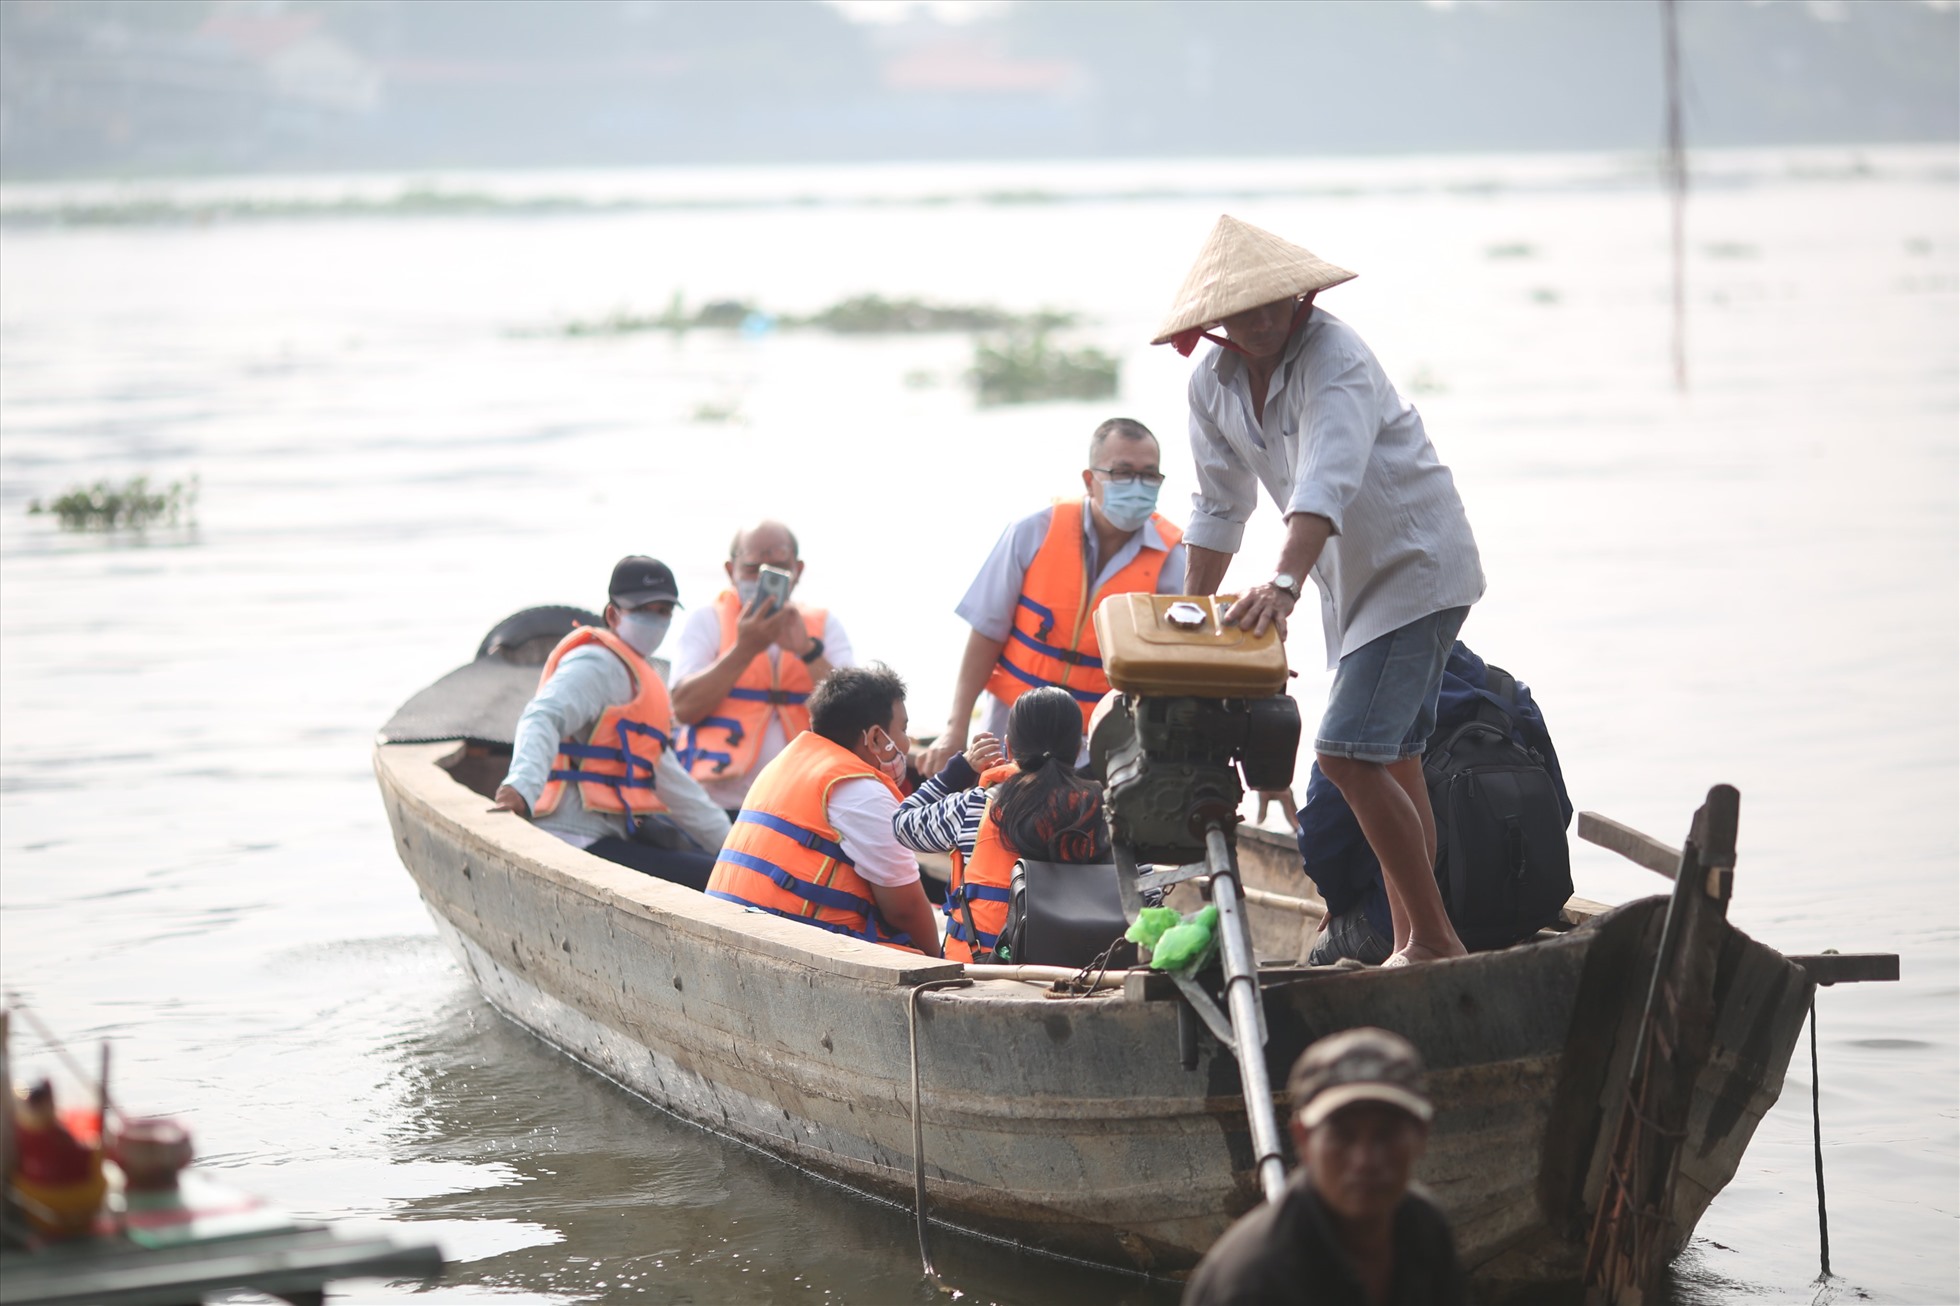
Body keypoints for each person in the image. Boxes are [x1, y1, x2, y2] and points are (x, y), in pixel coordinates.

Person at [1153, 214, 1485, 967]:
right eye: (1244, 309)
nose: (1265, 320)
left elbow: (1324, 479)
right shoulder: (1213, 382)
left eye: (1276, 302)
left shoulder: (1335, 356)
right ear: (1214, 324)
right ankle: (1413, 938)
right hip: (1349, 580)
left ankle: (1434, 941)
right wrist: (1190, 620)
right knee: (1393, 757)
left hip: (1416, 566)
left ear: (1301, 297)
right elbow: (1216, 505)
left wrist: (1282, 583)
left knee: (1344, 755)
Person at [923, 418, 1187, 775]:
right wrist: (956, 728)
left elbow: (1174, 664)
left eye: (1149, 474)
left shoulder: (1174, 557)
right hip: (1011, 732)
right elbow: (987, 632)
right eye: (1123, 472)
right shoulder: (1032, 531)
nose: (1138, 485)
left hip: (1101, 745)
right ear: (1090, 480)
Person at [494, 556, 731, 891]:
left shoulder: (641, 681)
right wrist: (521, 786)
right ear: (613, 615)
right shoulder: (596, 663)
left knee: (726, 871)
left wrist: (736, 849)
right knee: (715, 880)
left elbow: (674, 785)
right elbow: (543, 716)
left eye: (663, 611)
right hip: (572, 837)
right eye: (643, 609)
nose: (655, 619)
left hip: (609, 835)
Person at [1182, 1028, 1467, 1306]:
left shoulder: (1425, 1228)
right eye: (1343, 1136)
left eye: (1387, 1134)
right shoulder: (1251, 1282)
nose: (1365, 1160)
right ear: (1302, 1138)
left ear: (1421, 1135)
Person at [705, 664, 942, 956]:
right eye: (903, 729)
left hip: (729, 932)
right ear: (877, 738)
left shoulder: (784, 764)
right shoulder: (862, 791)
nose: (906, 744)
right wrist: (940, 963)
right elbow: (905, 910)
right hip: (781, 949)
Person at [895, 685, 1109, 962]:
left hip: (981, 968)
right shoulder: (1103, 813)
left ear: (1008, 746)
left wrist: (958, 771)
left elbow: (902, 824)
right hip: (1070, 971)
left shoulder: (975, 805)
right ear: (1079, 749)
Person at [671, 520, 854, 816]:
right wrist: (744, 649)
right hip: (719, 802)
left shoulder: (824, 625)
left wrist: (807, 651)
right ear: (731, 571)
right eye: (753, 569)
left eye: (779, 568)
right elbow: (683, 708)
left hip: (800, 804)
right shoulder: (706, 621)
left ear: (798, 570)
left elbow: (855, 714)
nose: (764, 579)